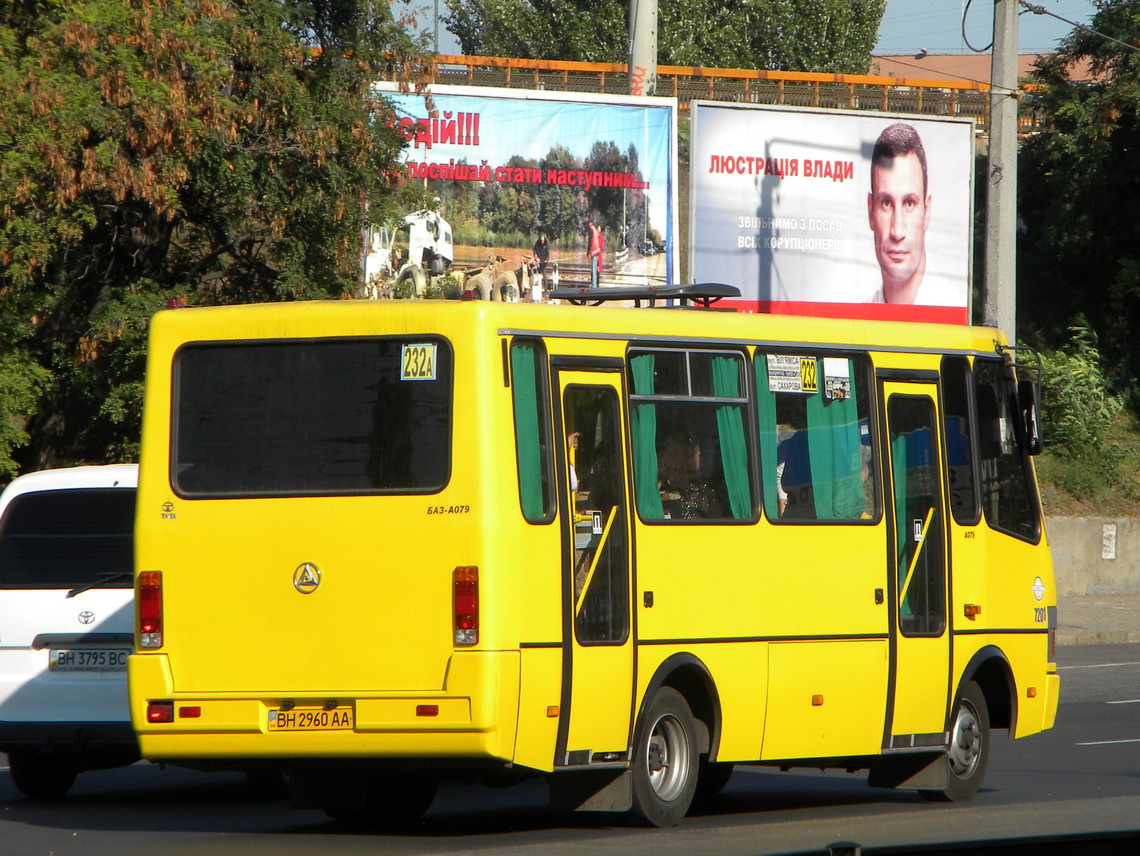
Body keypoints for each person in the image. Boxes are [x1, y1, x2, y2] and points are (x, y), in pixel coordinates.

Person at [866, 122, 931, 305]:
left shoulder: (952, 310)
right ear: (870, 211)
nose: (897, 231)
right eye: (886, 203)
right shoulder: (859, 318)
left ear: (927, 211)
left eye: (909, 203)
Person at [659, 433, 722, 520]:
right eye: (698, 455)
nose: (700, 459)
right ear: (689, 461)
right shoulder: (702, 493)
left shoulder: (657, 492)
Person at [586, 220, 604, 289]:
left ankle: (594, 286)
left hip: (596, 254)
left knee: (594, 270)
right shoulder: (596, 235)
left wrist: (589, 252)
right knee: (594, 270)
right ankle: (595, 285)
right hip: (597, 253)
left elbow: (591, 242)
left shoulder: (594, 234)